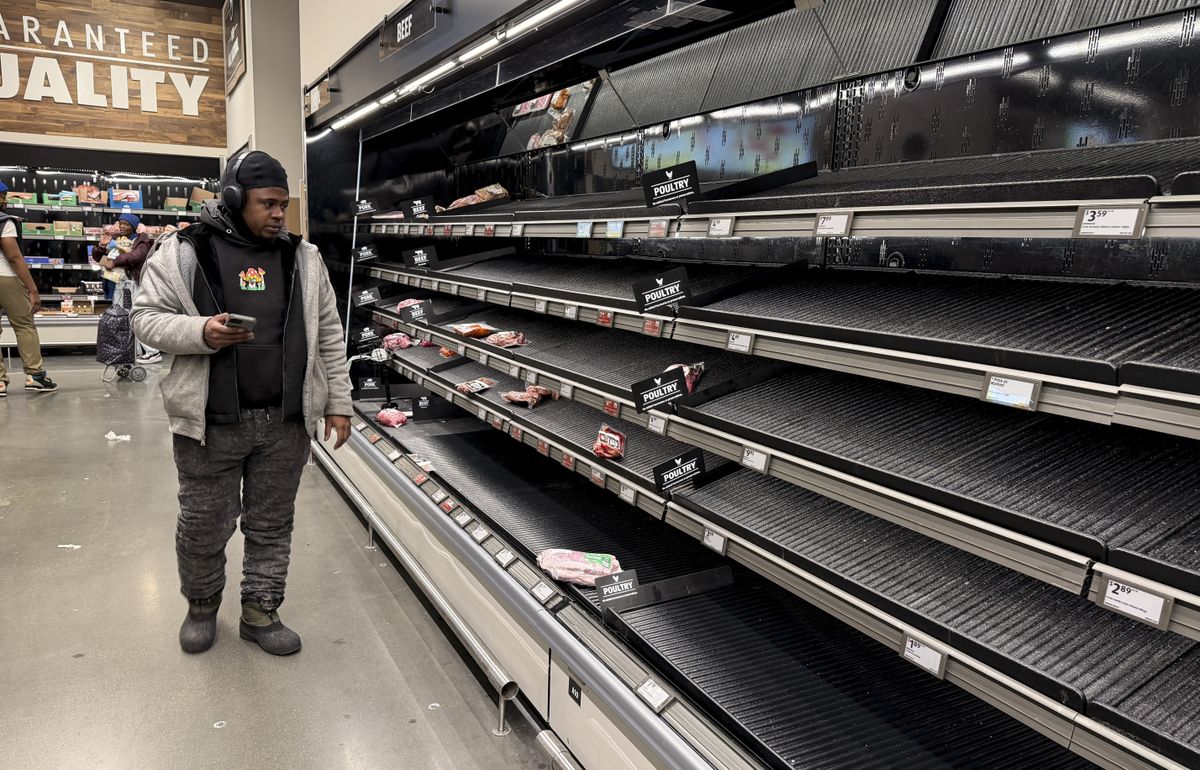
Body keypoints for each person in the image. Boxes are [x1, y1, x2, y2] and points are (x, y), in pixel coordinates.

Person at [132, 151, 353, 656]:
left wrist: (337, 400)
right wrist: (201, 332)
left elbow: (329, 336)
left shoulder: (304, 257)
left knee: (272, 524)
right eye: (267, 204)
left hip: (286, 422)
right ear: (234, 200)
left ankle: (260, 609)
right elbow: (145, 318)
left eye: (284, 204)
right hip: (210, 424)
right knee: (204, 523)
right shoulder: (184, 250)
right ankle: (203, 604)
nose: (279, 214)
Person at [0, 181, 58, 395]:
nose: (5, 200)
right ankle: (35, 376)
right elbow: (14, 257)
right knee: (24, 325)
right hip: (6, 278)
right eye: (2, 196)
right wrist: (33, 290)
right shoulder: (4, 221)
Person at [94, 213, 161, 364]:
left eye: (126, 224)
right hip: (117, 283)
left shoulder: (142, 240)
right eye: (121, 223)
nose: (123, 226)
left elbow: (136, 256)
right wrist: (102, 245)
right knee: (121, 318)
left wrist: (115, 261)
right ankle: (131, 351)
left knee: (136, 315)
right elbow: (99, 258)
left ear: (134, 226)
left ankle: (152, 351)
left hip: (133, 283)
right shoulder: (115, 239)